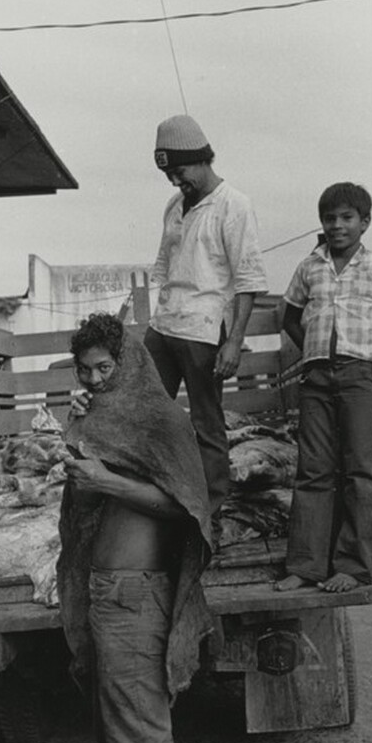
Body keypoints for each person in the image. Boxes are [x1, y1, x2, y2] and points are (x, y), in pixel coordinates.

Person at [56, 313, 213, 743]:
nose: (97, 377)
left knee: (141, 740)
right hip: (100, 592)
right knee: (111, 731)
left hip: (136, 595)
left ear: (133, 363)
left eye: (106, 367)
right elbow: (77, 486)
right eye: (87, 369)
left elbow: (186, 508)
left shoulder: (162, 420)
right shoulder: (102, 416)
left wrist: (109, 482)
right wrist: (77, 425)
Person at [276, 182, 372, 594]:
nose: (337, 226)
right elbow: (289, 316)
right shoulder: (309, 267)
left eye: (346, 218)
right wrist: (313, 351)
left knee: (357, 471)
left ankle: (353, 568)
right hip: (316, 377)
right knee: (313, 470)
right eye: (329, 218)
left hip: (359, 376)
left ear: (365, 222)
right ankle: (306, 566)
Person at [146, 114, 269, 538]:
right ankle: (153, 496)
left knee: (206, 421)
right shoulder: (173, 206)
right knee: (150, 414)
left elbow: (249, 280)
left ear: (201, 160)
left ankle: (210, 509)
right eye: (168, 174)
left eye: (179, 171)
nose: (175, 181)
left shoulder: (234, 205)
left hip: (203, 329)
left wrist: (234, 342)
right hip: (164, 326)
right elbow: (162, 266)